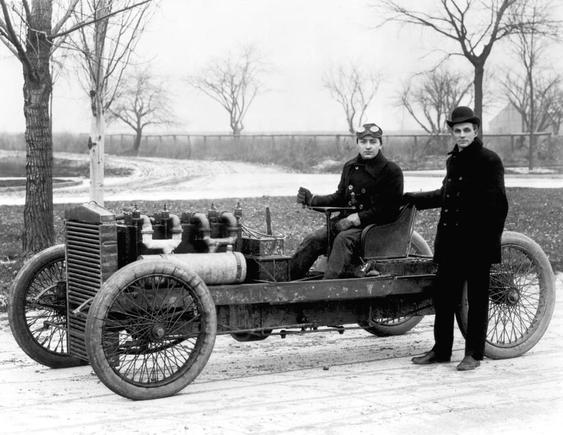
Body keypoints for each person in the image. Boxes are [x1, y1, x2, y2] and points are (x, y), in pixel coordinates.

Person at [404, 106, 508, 371]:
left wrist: (488, 244)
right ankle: (441, 350)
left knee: (477, 299)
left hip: (476, 245)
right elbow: (446, 195)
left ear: (475, 131)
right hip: (450, 242)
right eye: (457, 131)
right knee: (444, 297)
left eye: (466, 130)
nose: (461, 135)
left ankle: (474, 353)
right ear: (452, 132)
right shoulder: (453, 160)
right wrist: (413, 199)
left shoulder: (489, 160)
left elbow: (499, 207)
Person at [290, 123, 403, 280]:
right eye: (363, 142)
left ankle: (327, 290)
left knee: (342, 240)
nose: (368, 146)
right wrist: (312, 200)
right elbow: (339, 197)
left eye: (373, 142)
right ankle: (288, 283)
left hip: (374, 228)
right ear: (357, 143)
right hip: (345, 224)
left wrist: (356, 218)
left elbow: (389, 210)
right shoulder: (350, 167)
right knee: (314, 239)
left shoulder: (391, 171)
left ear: (380, 144)